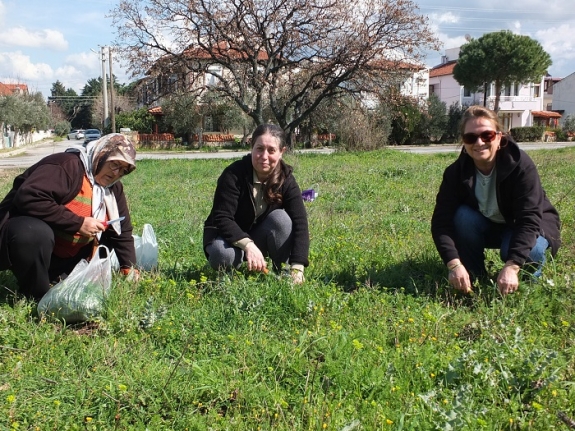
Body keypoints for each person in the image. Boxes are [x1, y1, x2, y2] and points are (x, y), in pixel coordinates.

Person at [431, 105, 560, 295]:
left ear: (499, 137)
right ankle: (474, 276)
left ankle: (526, 289)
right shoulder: (455, 173)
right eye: (470, 137)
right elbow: (441, 223)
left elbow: (529, 219)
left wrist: (512, 265)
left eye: (487, 135)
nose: (479, 142)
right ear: (464, 142)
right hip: (489, 224)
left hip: (524, 226)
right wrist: (454, 264)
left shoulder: (521, 166)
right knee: (462, 217)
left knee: (530, 252)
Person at [0, 133, 139, 300]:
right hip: (19, 236)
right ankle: (37, 296)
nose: (116, 173)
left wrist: (129, 267)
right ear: (101, 154)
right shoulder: (66, 165)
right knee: (33, 233)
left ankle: (55, 278)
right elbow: (28, 197)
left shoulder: (113, 189)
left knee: (104, 239)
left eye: (123, 170)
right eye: (114, 164)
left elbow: (121, 230)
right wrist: (78, 223)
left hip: (64, 253)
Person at [203, 124, 310, 284]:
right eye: (259, 149)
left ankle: (285, 272)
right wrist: (248, 246)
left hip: (260, 235)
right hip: (229, 240)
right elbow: (222, 217)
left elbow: (300, 222)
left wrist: (298, 266)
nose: (264, 156)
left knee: (281, 219)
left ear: (282, 152)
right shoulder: (233, 174)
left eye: (271, 150)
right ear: (251, 147)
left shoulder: (286, 179)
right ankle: (228, 280)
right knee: (221, 254)